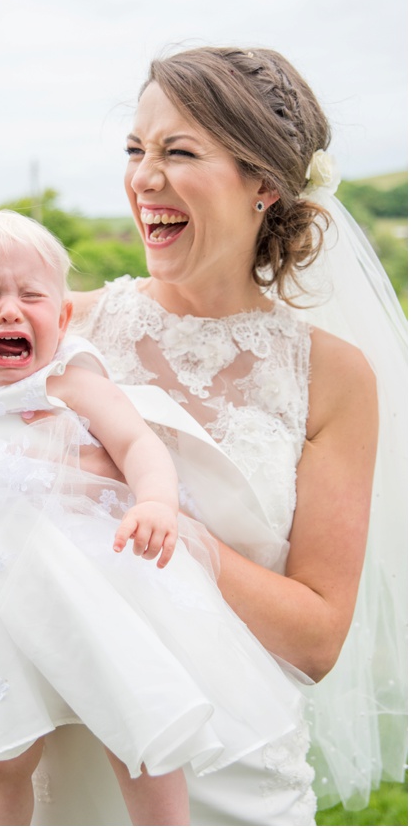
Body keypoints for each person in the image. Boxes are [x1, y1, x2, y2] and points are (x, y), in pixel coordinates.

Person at [21, 46, 405, 825]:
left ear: (264, 183)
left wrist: (176, 531)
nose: (143, 178)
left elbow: (317, 638)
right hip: (76, 762)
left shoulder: (333, 376)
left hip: (240, 773)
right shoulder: (65, 329)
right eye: (136, 149)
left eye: (178, 151)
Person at [0, 209, 306, 827]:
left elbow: (139, 446)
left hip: (97, 590)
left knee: (136, 734)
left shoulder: (66, 382)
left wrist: (153, 502)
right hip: (7, 609)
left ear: (60, 318)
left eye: (32, 296)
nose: (11, 311)